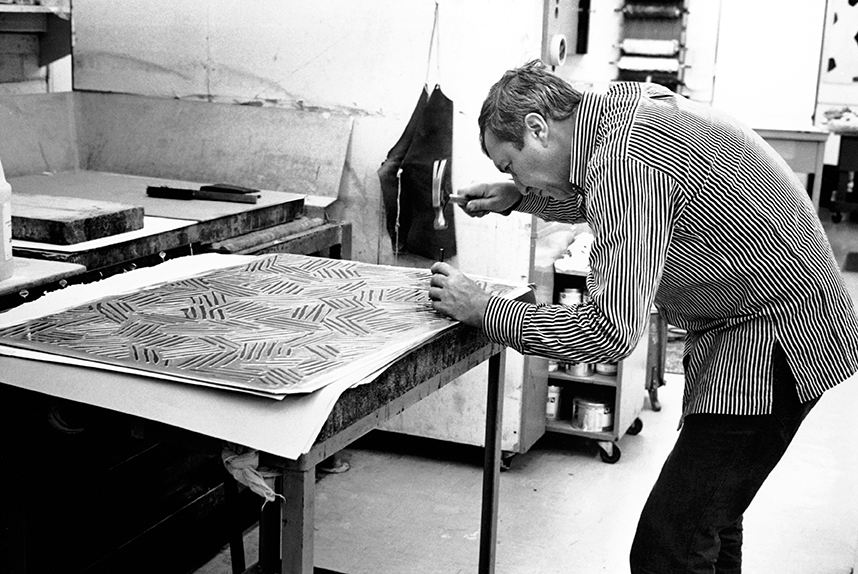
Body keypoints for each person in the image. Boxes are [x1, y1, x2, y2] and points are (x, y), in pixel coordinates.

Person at [427, 59, 858, 573]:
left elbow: (609, 333)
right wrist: (522, 196)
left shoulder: (624, 160)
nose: (510, 175)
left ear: (537, 128)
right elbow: (600, 194)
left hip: (777, 336)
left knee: (668, 548)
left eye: (509, 165)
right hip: (766, 316)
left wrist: (484, 309)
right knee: (710, 523)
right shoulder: (616, 109)